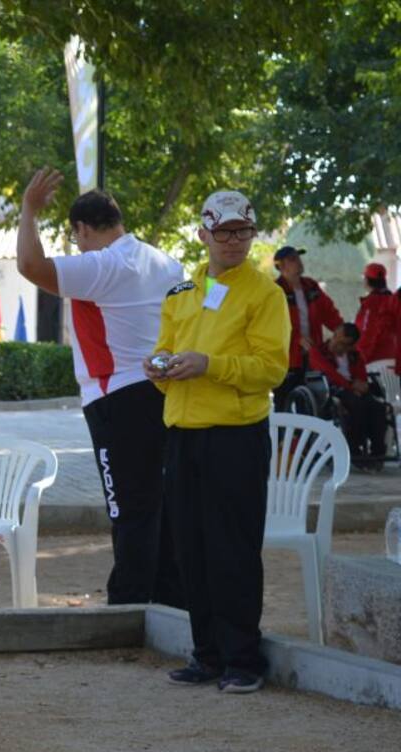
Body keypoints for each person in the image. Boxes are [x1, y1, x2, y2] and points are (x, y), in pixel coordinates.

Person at [17, 166, 184, 607]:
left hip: (118, 397)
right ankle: (171, 600)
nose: (78, 246)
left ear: (83, 229)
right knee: (161, 503)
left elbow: (30, 266)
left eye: (76, 238)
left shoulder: (104, 265)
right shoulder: (165, 261)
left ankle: (128, 604)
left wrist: (29, 210)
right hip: (163, 392)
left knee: (128, 507)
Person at [145, 190, 289, 694]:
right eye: (224, 231)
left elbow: (272, 367)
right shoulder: (181, 292)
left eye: (242, 232)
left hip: (236, 436)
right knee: (190, 549)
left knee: (233, 549)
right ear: (203, 234)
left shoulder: (265, 294)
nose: (233, 241)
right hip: (183, 433)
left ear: (252, 233)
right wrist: (158, 367)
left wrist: (211, 365)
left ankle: (243, 661)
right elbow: (166, 351)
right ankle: (205, 654)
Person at [272, 246, 342, 411]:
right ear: (281, 266)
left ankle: (314, 436)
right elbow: (273, 326)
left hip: (313, 357)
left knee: (317, 406)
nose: (298, 261)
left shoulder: (310, 286)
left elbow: (329, 312)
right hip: (287, 360)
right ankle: (284, 437)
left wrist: (340, 331)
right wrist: (297, 340)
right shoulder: (275, 291)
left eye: (298, 257)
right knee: (284, 405)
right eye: (293, 259)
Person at [309, 322, 389, 466]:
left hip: (355, 390)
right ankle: (353, 447)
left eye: (344, 344)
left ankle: (378, 452)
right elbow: (329, 373)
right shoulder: (319, 351)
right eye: (336, 339)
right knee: (356, 404)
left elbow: (362, 376)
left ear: (351, 345)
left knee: (378, 407)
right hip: (333, 390)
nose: (337, 345)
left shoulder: (355, 356)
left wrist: (362, 386)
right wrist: (351, 386)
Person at [354, 262, 398, 366]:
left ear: (367, 280)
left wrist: (359, 359)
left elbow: (365, 332)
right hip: (394, 358)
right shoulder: (393, 300)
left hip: (374, 361)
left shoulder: (371, 303)